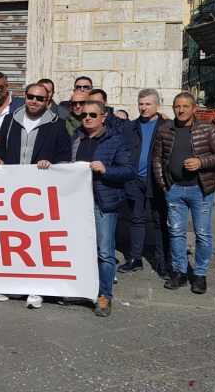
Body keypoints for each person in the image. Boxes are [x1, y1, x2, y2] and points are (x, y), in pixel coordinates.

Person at [0, 83, 72, 309]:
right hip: (12, 190)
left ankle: (36, 287)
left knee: (36, 242)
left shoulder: (58, 125)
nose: (34, 101)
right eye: (31, 96)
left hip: (40, 192)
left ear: (48, 101)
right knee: (10, 239)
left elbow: (65, 155)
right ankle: (7, 283)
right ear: (24, 97)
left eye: (40, 98)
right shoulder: (10, 120)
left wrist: (52, 163)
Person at [153, 92, 215, 295]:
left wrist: (201, 162)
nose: (181, 110)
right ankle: (179, 272)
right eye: (177, 106)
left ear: (194, 108)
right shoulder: (165, 130)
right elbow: (157, 159)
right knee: (176, 233)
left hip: (201, 190)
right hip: (174, 189)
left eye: (185, 106)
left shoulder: (208, 130)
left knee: (203, 234)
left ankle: (199, 274)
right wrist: (164, 184)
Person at [71, 100, 135, 317]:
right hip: (77, 203)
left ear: (103, 117)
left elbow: (128, 171)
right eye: (84, 115)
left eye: (92, 114)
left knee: (105, 251)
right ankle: (80, 289)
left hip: (103, 202)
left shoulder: (115, 140)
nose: (87, 118)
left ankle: (104, 295)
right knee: (79, 249)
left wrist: (106, 170)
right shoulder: (76, 138)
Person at [118, 89, 169, 277]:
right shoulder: (130, 127)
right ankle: (135, 258)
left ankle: (162, 261)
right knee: (136, 219)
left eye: (148, 104)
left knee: (159, 221)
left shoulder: (167, 126)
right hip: (134, 180)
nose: (144, 107)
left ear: (157, 105)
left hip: (157, 181)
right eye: (141, 104)